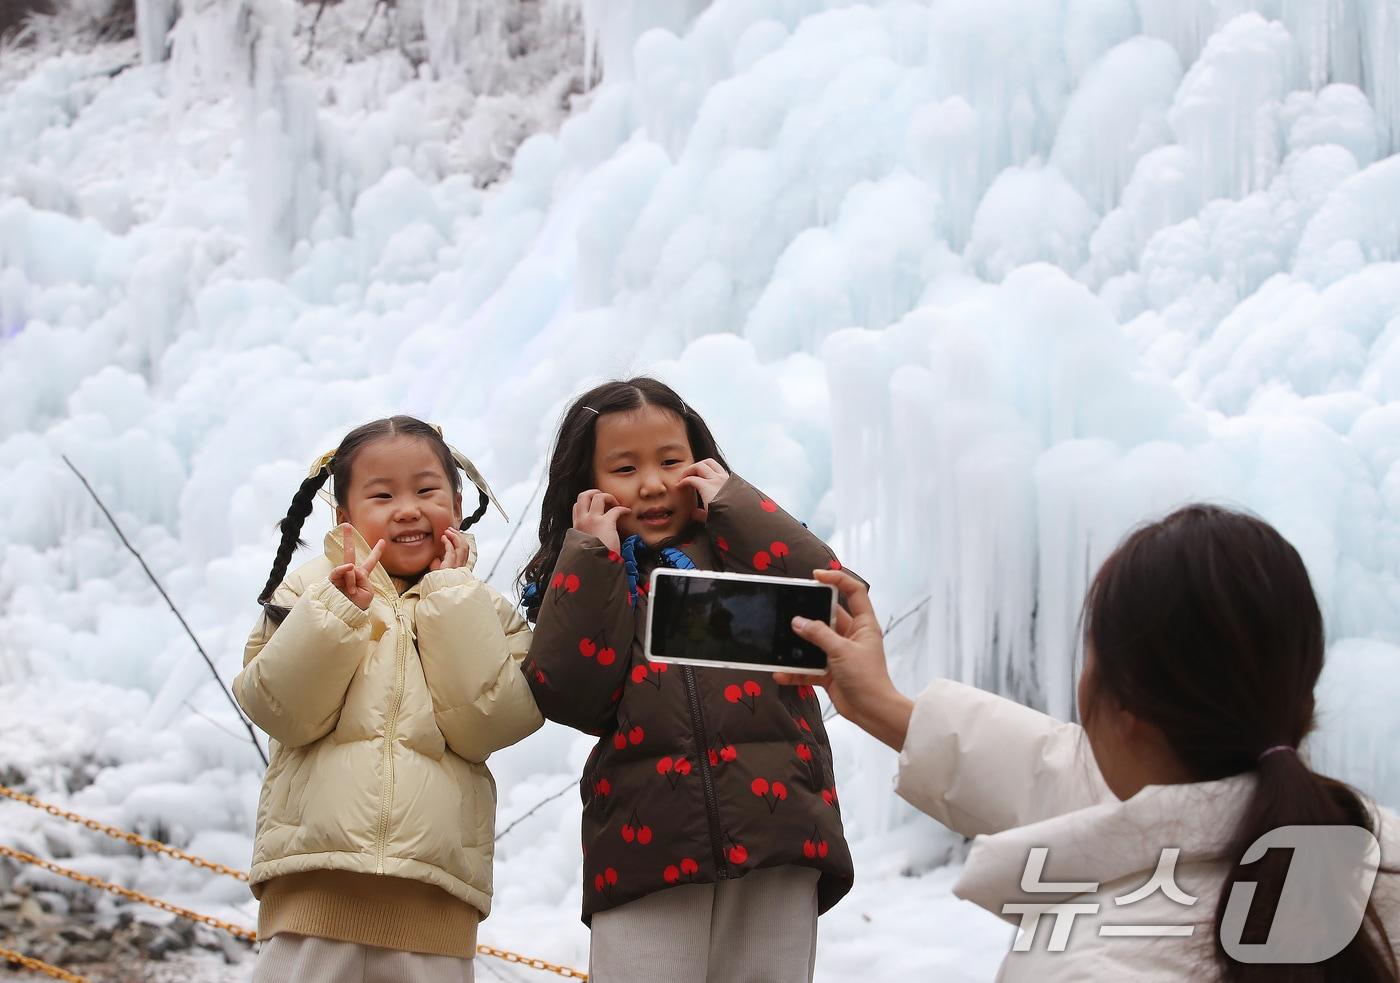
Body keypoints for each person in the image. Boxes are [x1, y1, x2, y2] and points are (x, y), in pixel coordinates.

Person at [783, 504, 1400, 981]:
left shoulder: (1083, 964)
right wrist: (884, 706)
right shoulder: (1374, 869)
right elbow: (1081, 785)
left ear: (1123, 707)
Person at [519, 377, 854, 983]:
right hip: (647, 849)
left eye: (670, 461)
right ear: (587, 487)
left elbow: (831, 596)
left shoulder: (739, 546)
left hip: (777, 833)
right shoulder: (585, 574)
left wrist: (737, 504)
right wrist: (591, 556)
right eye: (624, 468)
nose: (651, 484)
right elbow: (569, 693)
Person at [234, 416, 543, 983]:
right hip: (313, 885)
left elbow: (489, 725)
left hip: (435, 898)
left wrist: (451, 599)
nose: (408, 508)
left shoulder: (485, 609)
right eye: (383, 495)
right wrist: (337, 614)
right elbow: (279, 710)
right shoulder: (309, 590)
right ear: (343, 516)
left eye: (427, 491)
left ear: (456, 501)